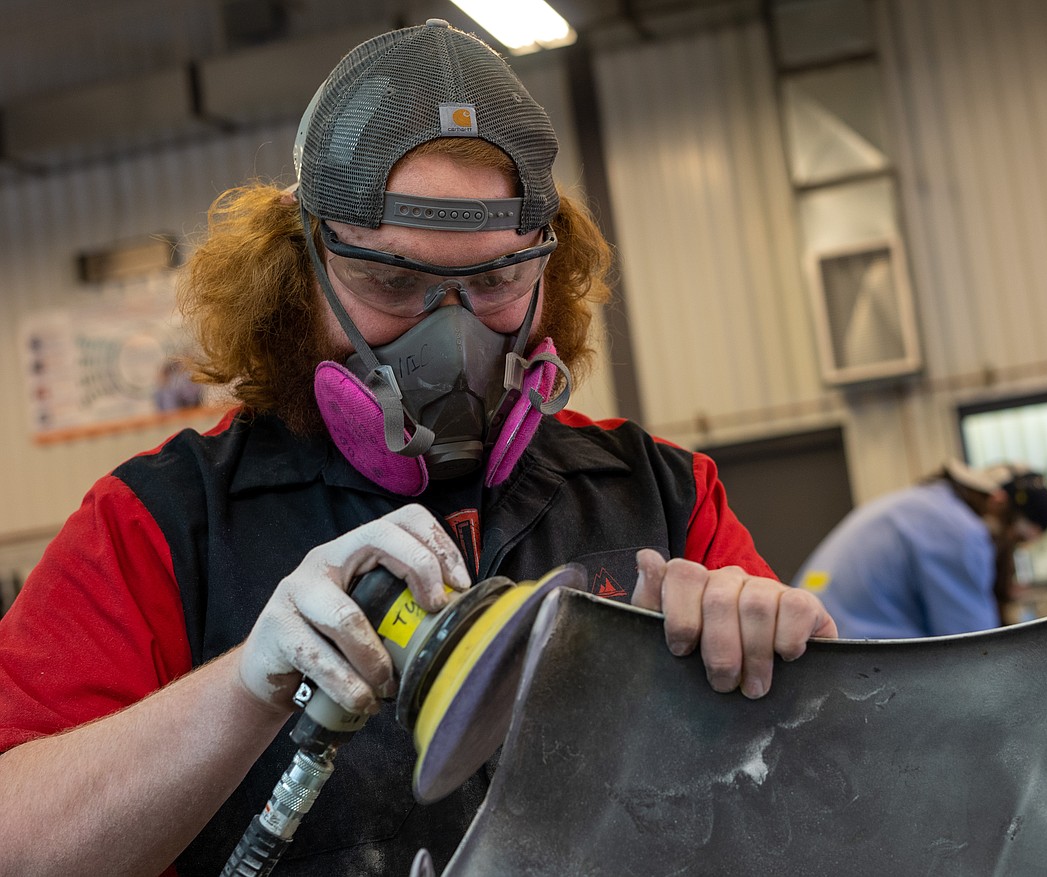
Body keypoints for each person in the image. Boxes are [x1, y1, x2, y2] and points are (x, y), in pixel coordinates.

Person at [0, 20, 837, 876]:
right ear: (302, 270)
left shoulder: (664, 495)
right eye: (394, 282)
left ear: (548, 267)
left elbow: (826, 797)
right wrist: (246, 686)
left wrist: (785, 662)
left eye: (496, 279)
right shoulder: (160, 524)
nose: (454, 335)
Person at [795, 459, 1047, 639]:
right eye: (1015, 539)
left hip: (817, 638)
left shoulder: (928, 504)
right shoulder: (960, 530)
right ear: (998, 503)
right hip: (848, 653)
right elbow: (976, 648)